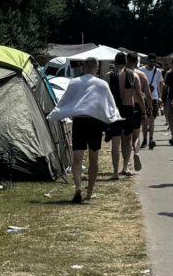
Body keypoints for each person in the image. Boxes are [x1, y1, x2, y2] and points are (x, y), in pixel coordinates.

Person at [47, 57, 117, 203]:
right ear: (97, 68)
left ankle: (78, 188)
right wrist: (112, 119)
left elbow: (65, 101)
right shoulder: (102, 84)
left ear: (84, 67)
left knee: (77, 157)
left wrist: (56, 113)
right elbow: (109, 105)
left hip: (79, 121)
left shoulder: (74, 83)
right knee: (94, 158)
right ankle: (89, 192)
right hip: (95, 122)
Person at [109, 52, 148, 178]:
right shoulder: (134, 75)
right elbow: (139, 96)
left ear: (115, 62)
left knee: (115, 142)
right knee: (127, 140)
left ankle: (115, 172)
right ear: (126, 62)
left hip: (114, 110)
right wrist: (144, 112)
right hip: (129, 109)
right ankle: (125, 167)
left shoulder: (108, 76)